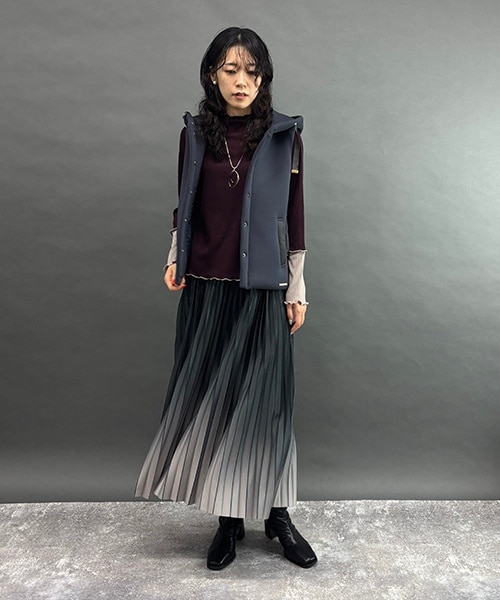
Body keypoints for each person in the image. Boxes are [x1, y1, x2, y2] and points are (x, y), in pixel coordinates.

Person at [135, 26, 317, 571]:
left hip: (262, 289)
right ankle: (228, 520)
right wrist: (175, 255)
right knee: (217, 402)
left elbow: (294, 213)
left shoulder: (284, 135)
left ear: (264, 78)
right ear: (212, 74)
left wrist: (297, 286)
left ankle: (278, 516)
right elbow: (185, 201)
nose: (242, 81)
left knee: (268, 405)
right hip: (207, 287)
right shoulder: (194, 135)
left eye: (252, 72)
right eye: (231, 70)